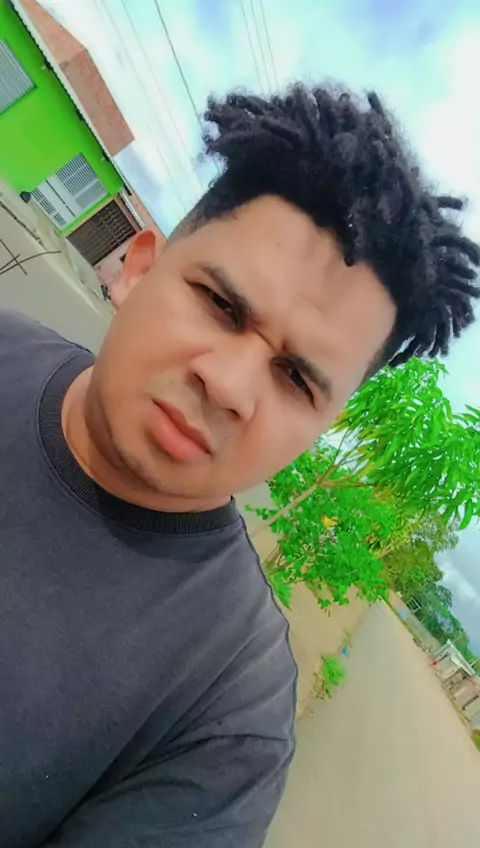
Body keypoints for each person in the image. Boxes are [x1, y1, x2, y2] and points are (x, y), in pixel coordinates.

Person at [1, 83, 478, 848]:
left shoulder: (228, 709)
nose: (227, 385)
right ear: (139, 267)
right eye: (221, 305)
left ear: (321, 430)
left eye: (296, 379)